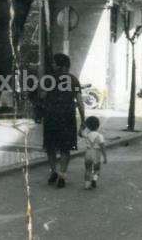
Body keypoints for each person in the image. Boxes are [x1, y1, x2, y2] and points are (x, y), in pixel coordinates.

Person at [42, 53, 85, 188]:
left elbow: (42, 95)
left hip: (51, 116)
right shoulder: (74, 80)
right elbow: (80, 101)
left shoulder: (49, 79)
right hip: (67, 117)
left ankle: (54, 171)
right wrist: (83, 120)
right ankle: (62, 175)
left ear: (61, 65)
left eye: (54, 63)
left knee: (50, 146)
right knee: (65, 148)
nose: (52, 65)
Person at [79, 116, 107, 189]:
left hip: (88, 153)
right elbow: (102, 147)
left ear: (88, 126)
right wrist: (105, 157)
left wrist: (82, 126)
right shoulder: (100, 136)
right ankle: (94, 180)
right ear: (98, 126)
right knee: (97, 169)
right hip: (96, 154)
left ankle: (87, 185)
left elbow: (80, 133)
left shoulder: (87, 135)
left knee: (87, 169)